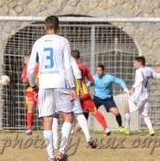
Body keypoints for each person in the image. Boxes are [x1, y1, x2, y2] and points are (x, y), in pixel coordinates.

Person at [27, 16, 81, 161]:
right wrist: (72, 87)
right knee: (68, 115)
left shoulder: (38, 43)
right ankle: (62, 152)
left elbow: (31, 68)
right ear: (58, 27)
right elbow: (68, 65)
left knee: (47, 119)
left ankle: (50, 156)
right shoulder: (63, 41)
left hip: (44, 83)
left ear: (44, 27)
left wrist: (33, 85)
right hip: (61, 82)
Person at [71, 50, 108, 142]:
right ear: (78, 57)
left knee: (70, 112)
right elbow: (92, 81)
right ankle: (106, 128)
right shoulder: (83, 67)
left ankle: (69, 131)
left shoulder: (68, 67)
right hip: (84, 93)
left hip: (73, 93)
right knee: (94, 111)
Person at [127, 56, 160, 136]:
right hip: (146, 95)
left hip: (138, 96)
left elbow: (140, 80)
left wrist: (132, 87)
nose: (133, 64)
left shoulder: (138, 71)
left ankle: (126, 128)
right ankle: (151, 130)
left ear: (140, 63)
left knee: (127, 109)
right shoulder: (149, 70)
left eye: (135, 62)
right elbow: (158, 76)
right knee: (145, 114)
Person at [92, 64, 129, 134]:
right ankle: (79, 127)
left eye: (100, 70)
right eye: (97, 70)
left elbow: (120, 81)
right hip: (97, 98)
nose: (98, 72)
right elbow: (88, 84)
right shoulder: (94, 78)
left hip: (107, 99)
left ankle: (121, 127)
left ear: (103, 71)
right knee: (88, 111)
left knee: (117, 113)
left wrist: (125, 88)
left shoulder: (109, 77)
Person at [21, 54, 38, 135]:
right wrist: (26, 79)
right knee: (30, 108)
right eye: (27, 60)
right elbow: (24, 80)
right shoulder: (25, 69)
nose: (28, 61)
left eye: (30, 60)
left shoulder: (38, 66)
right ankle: (29, 128)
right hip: (30, 91)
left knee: (43, 109)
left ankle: (48, 127)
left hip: (39, 90)